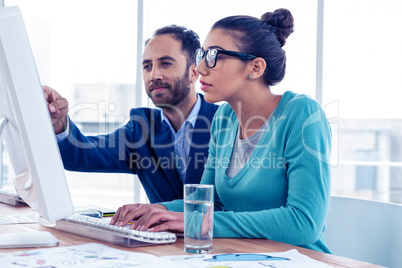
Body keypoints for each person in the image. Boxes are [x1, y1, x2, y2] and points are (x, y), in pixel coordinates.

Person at [110, 9, 333, 253]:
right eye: (202, 55)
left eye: (214, 56)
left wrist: (201, 222)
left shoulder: (301, 114)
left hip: (300, 260)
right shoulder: (224, 119)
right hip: (240, 256)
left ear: (256, 67)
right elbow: (210, 204)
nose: (201, 68)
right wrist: (158, 210)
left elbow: (304, 223)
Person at [44, 25, 220, 203]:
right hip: (156, 232)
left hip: (221, 231)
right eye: (147, 66)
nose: (154, 75)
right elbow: (80, 154)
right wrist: (59, 124)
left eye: (166, 64)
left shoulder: (226, 122)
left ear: (193, 72)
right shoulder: (141, 129)